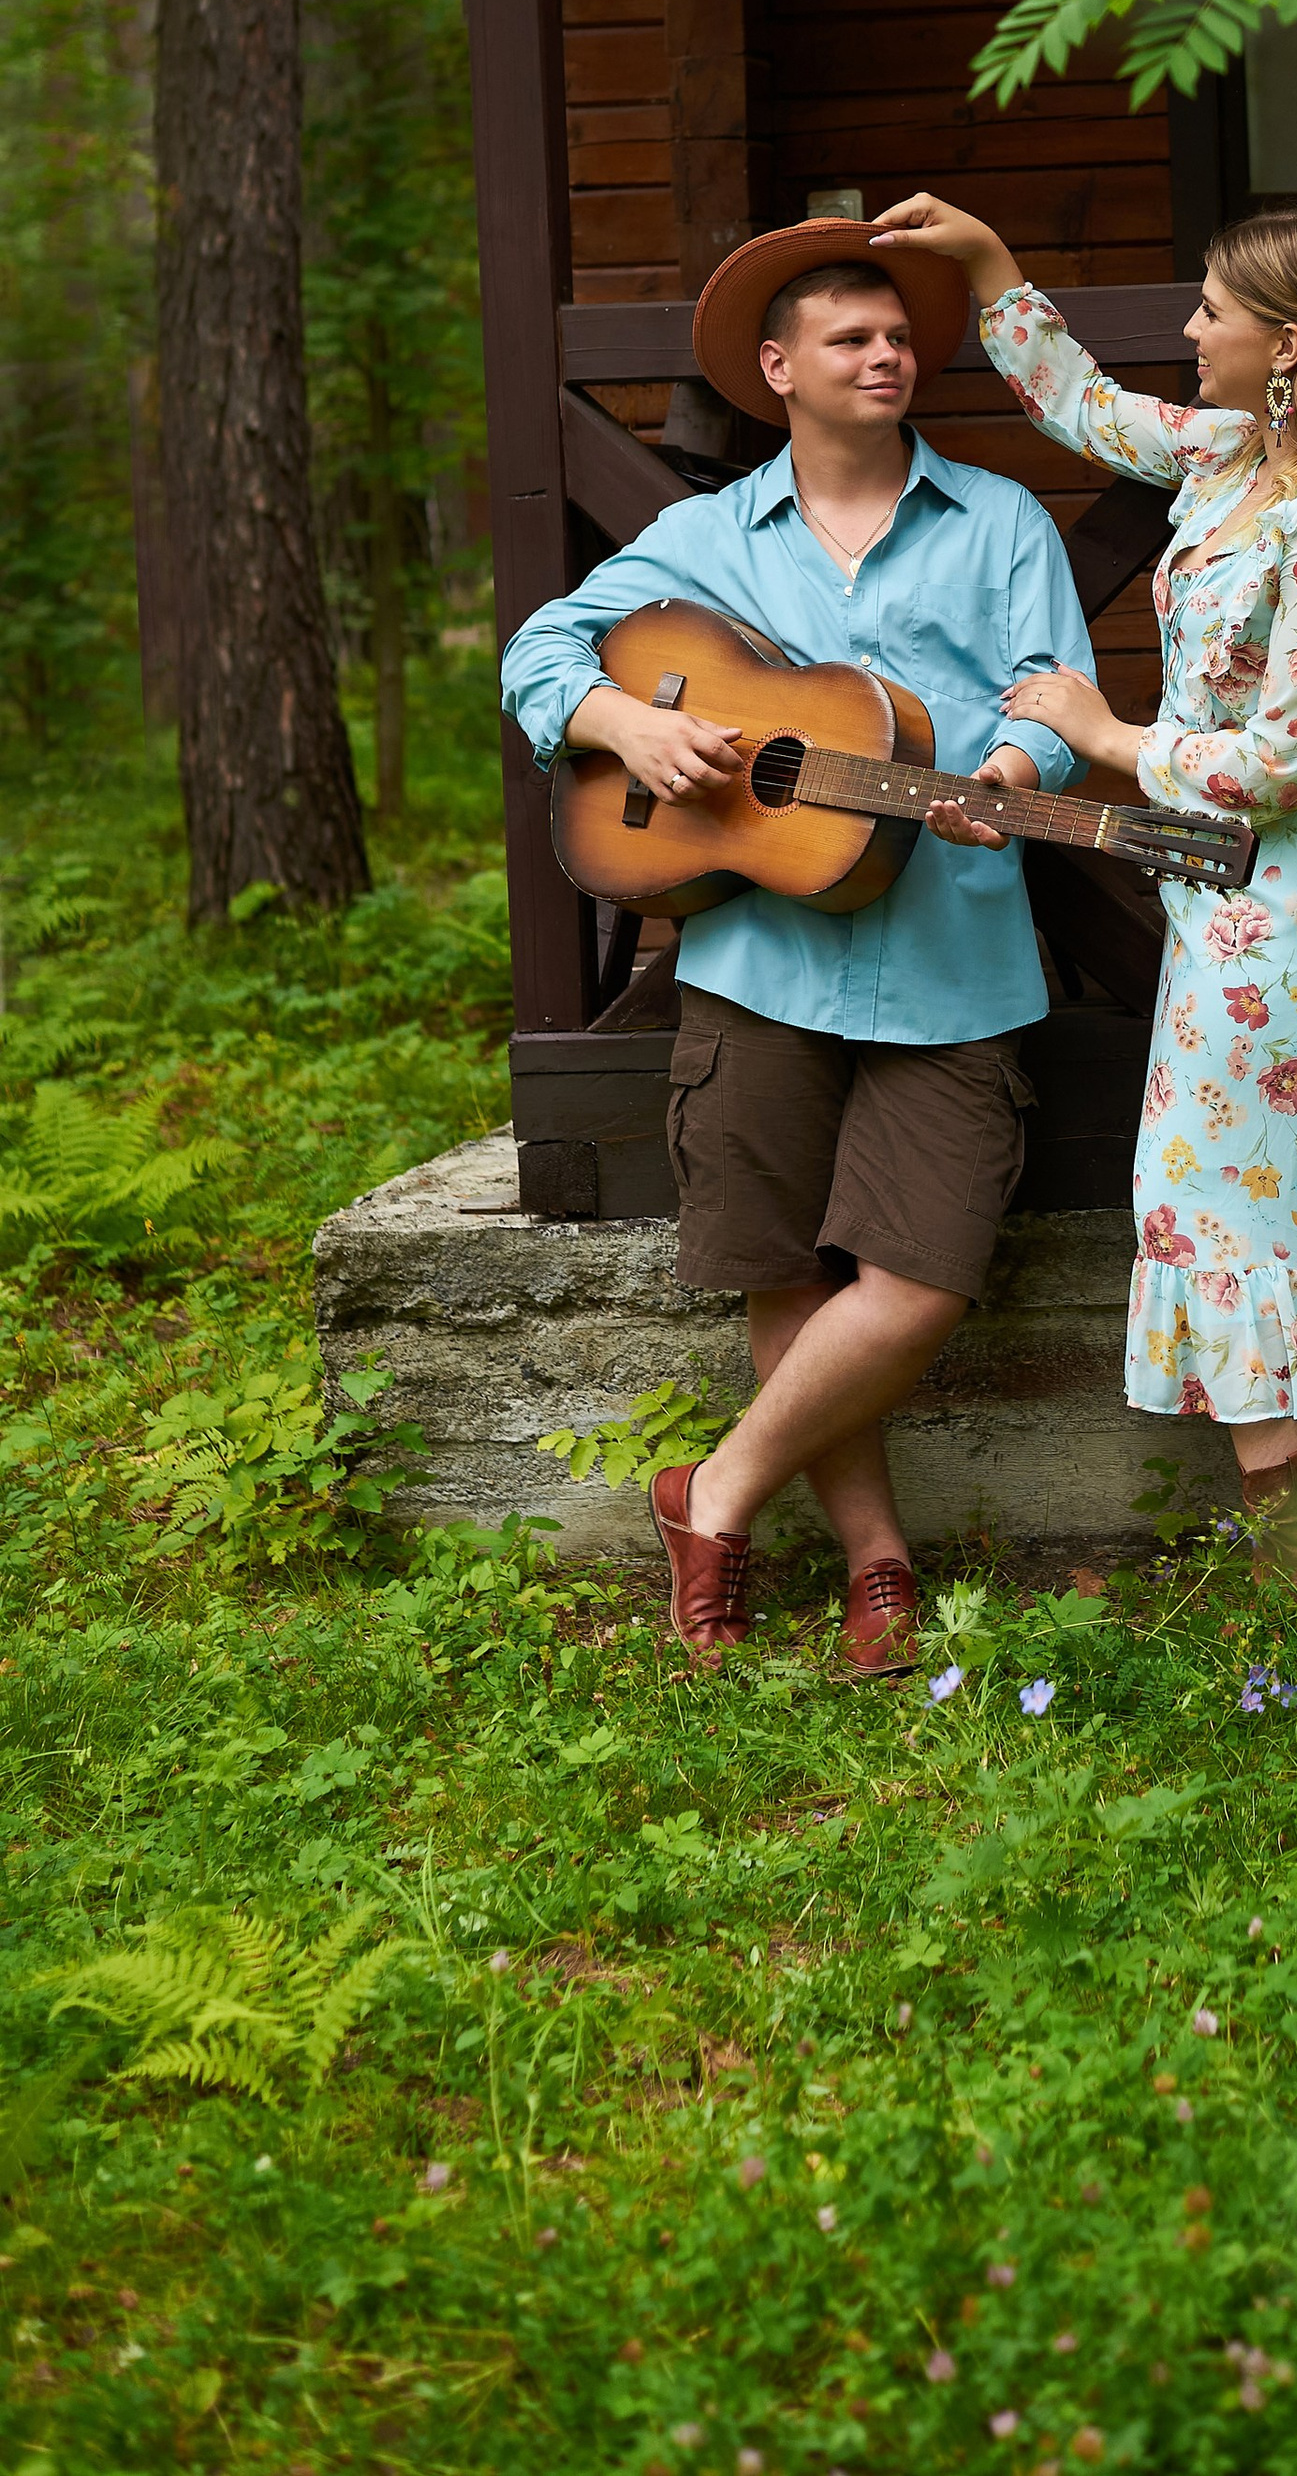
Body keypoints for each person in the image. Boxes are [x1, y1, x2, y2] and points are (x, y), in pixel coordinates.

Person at [498, 221, 1096, 1675]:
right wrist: (632, 724)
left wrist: (1011, 778)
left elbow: (1050, 695)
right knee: (785, 1268)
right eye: (853, 338)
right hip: (760, 960)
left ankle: (713, 1493)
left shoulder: (1004, 521)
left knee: (924, 1274)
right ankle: (877, 1571)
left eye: (899, 338)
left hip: (954, 951)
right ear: (780, 371)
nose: (888, 356)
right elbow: (539, 653)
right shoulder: (703, 541)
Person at [870, 190, 1297, 1608]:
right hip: (1217, 890)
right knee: (1265, 1192)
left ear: (1290, 344)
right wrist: (993, 261)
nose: (1190, 329)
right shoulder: (1229, 457)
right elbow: (1084, 406)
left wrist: (1103, 730)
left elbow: (1279, 762)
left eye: (1212, 310)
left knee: (1223, 1195)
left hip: (1295, 895)